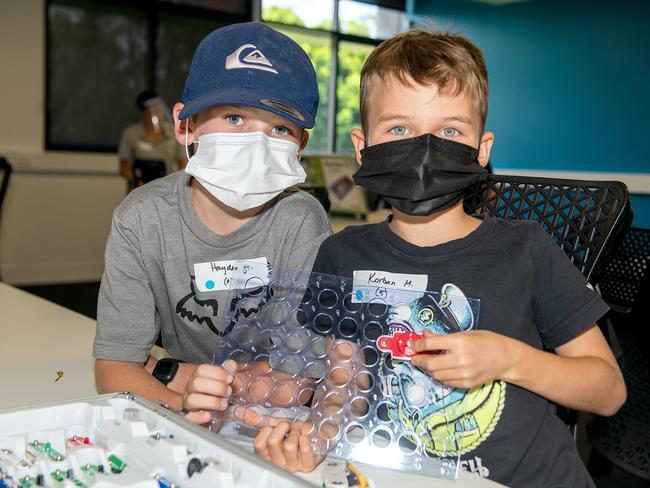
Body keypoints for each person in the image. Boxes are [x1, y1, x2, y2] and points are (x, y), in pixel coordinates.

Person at [239, 28, 627, 487]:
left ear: (481, 151)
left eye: (449, 130)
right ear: (363, 148)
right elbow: (342, 389)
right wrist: (313, 442)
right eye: (399, 129)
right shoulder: (342, 254)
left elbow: (608, 391)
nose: (424, 148)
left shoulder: (527, 250)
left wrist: (509, 359)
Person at [93, 22, 332, 423]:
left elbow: (298, 382)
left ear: (300, 146)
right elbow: (113, 369)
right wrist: (183, 399)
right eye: (234, 119)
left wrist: (169, 372)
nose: (256, 145)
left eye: (280, 128)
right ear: (186, 125)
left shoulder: (301, 222)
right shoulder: (142, 218)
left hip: (267, 425)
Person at [118, 89, 185, 189]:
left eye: (158, 109)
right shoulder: (131, 134)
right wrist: (138, 182)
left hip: (167, 189)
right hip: (139, 189)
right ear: (142, 113)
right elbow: (123, 167)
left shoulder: (174, 132)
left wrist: (174, 185)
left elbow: (182, 163)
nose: (156, 114)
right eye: (150, 111)